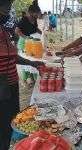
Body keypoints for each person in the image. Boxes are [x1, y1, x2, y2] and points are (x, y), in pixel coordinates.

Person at [0, 0, 44, 149]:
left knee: (13, 118)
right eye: (4, 6)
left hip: (11, 84)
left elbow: (12, 56)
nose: (8, 10)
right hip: (2, 85)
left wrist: (32, 63)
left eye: (9, 6)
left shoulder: (4, 31)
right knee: (4, 123)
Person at [15, 2, 42, 87]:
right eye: (37, 13)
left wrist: (42, 33)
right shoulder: (24, 19)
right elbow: (17, 31)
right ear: (31, 12)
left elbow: (35, 28)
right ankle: (26, 80)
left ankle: (33, 78)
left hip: (32, 42)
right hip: (24, 43)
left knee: (33, 59)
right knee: (26, 61)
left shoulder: (34, 20)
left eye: (38, 13)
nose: (38, 15)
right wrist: (25, 37)